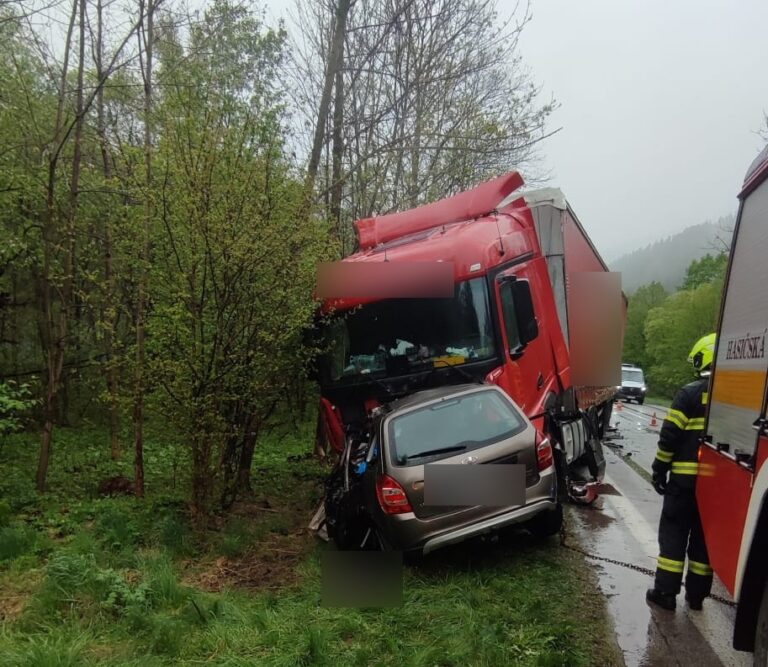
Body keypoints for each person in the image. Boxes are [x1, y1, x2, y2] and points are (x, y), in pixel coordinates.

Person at [646, 333, 716, 612]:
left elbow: (669, 437)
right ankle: (697, 596)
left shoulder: (690, 393)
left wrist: (659, 469)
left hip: (683, 484)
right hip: (717, 489)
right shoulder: (737, 394)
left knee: (674, 535)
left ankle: (665, 593)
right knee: (703, 541)